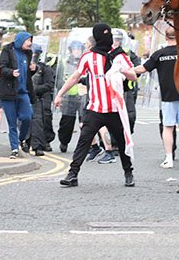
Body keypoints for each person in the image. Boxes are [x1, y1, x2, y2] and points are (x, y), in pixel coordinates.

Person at [57, 23, 137, 187]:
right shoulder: (88, 57)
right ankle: (73, 174)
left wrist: (121, 70)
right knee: (84, 141)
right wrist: (59, 94)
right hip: (95, 109)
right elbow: (74, 77)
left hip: (115, 109)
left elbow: (133, 77)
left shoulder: (119, 56)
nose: (107, 39)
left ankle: (128, 173)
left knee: (121, 143)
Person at [134, 29, 179, 168]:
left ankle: (169, 159)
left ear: (166, 37)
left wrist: (124, 69)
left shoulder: (159, 54)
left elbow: (143, 69)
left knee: (168, 127)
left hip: (167, 95)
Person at [0, 31, 37, 158]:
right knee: (12, 123)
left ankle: (21, 139)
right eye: (27, 41)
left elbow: (27, 74)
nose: (30, 43)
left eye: (30, 41)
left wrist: (34, 69)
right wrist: (11, 72)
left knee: (27, 117)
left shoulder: (28, 53)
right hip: (8, 92)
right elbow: (2, 68)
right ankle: (14, 148)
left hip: (23, 92)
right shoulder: (7, 50)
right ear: (21, 40)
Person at [57, 40, 85, 153]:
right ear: (70, 50)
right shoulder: (64, 62)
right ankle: (64, 142)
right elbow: (59, 79)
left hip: (83, 96)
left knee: (85, 122)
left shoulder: (85, 61)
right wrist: (61, 93)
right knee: (67, 123)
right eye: (75, 49)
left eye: (79, 49)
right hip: (69, 97)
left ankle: (86, 146)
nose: (77, 51)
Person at [29, 43, 55, 156]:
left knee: (44, 118)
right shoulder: (22, 66)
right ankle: (25, 141)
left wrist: (35, 90)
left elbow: (49, 84)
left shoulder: (44, 68)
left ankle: (42, 143)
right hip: (26, 96)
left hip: (41, 97)